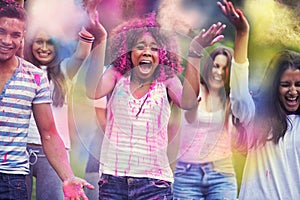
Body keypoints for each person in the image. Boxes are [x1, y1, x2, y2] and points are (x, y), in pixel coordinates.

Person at [84, 8, 226, 198]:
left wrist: (194, 52)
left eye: (154, 48)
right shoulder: (116, 75)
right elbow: (93, 91)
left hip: (154, 183)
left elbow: (189, 101)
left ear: (163, 55)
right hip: (113, 181)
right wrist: (100, 39)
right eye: (140, 46)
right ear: (128, 51)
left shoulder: (167, 80)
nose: (147, 52)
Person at [0, 4, 93, 200]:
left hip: (14, 176)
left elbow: (49, 133)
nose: (7, 40)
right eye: (2, 32)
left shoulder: (38, 76)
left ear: (22, 37)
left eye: (15, 35)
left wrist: (68, 177)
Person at [172, 1, 252, 199]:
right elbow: (189, 109)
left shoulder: (231, 102)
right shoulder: (196, 93)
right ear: (209, 67)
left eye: (225, 69)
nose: (219, 72)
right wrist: (196, 49)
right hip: (186, 175)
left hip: (221, 175)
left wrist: (242, 33)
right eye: (216, 66)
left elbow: (240, 82)